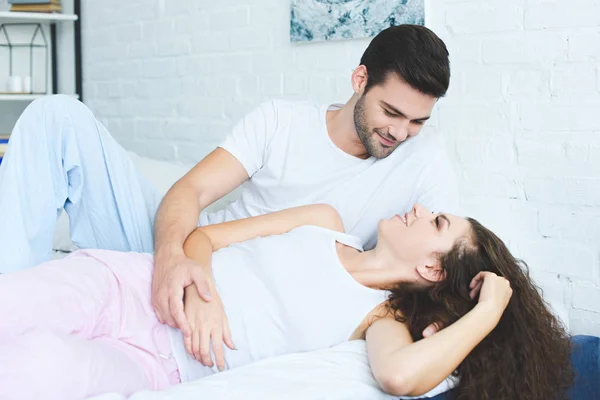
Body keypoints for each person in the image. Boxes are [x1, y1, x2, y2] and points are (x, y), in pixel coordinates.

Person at [0, 25, 457, 344]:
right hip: (183, 247)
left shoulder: (425, 160)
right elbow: (189, 193)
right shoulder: (282, 121)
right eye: (391, 113)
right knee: (57, 117)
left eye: (417, 120)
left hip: (241, 287)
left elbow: (450, 258)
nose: (399, 133)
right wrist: (170, 259)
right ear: (360, 80)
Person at [0, 204, 573, 400]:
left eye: (437, 221)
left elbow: (402, 379)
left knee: (30, 369)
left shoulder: (383, 321)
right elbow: (204, 239)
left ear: (432, 267)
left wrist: (490, 310)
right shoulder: (324, 224)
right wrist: (200, 290)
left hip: (160, 368)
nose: (420, 210)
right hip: (130, 288)